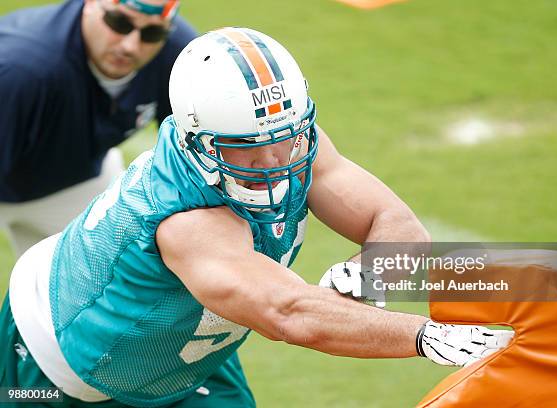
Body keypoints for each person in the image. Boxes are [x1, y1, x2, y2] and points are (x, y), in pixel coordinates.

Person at [0, 28, 514, 407]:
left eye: (281, 139)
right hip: (62, 363)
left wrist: (376, 271)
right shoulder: (186, 219)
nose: (274, 162)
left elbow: (392, 220)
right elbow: (289, 313)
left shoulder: (284, 137)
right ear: (198, 139)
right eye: (246, 148)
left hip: (181, 351)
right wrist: (425, 336)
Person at [0, 0, 197, 256]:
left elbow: (189, 160)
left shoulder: (180, 56)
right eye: (119, 22)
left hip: (74, 178)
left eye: (152, 34)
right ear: (91, 4)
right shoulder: (22, 70)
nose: (130, 46)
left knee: (118, 267)